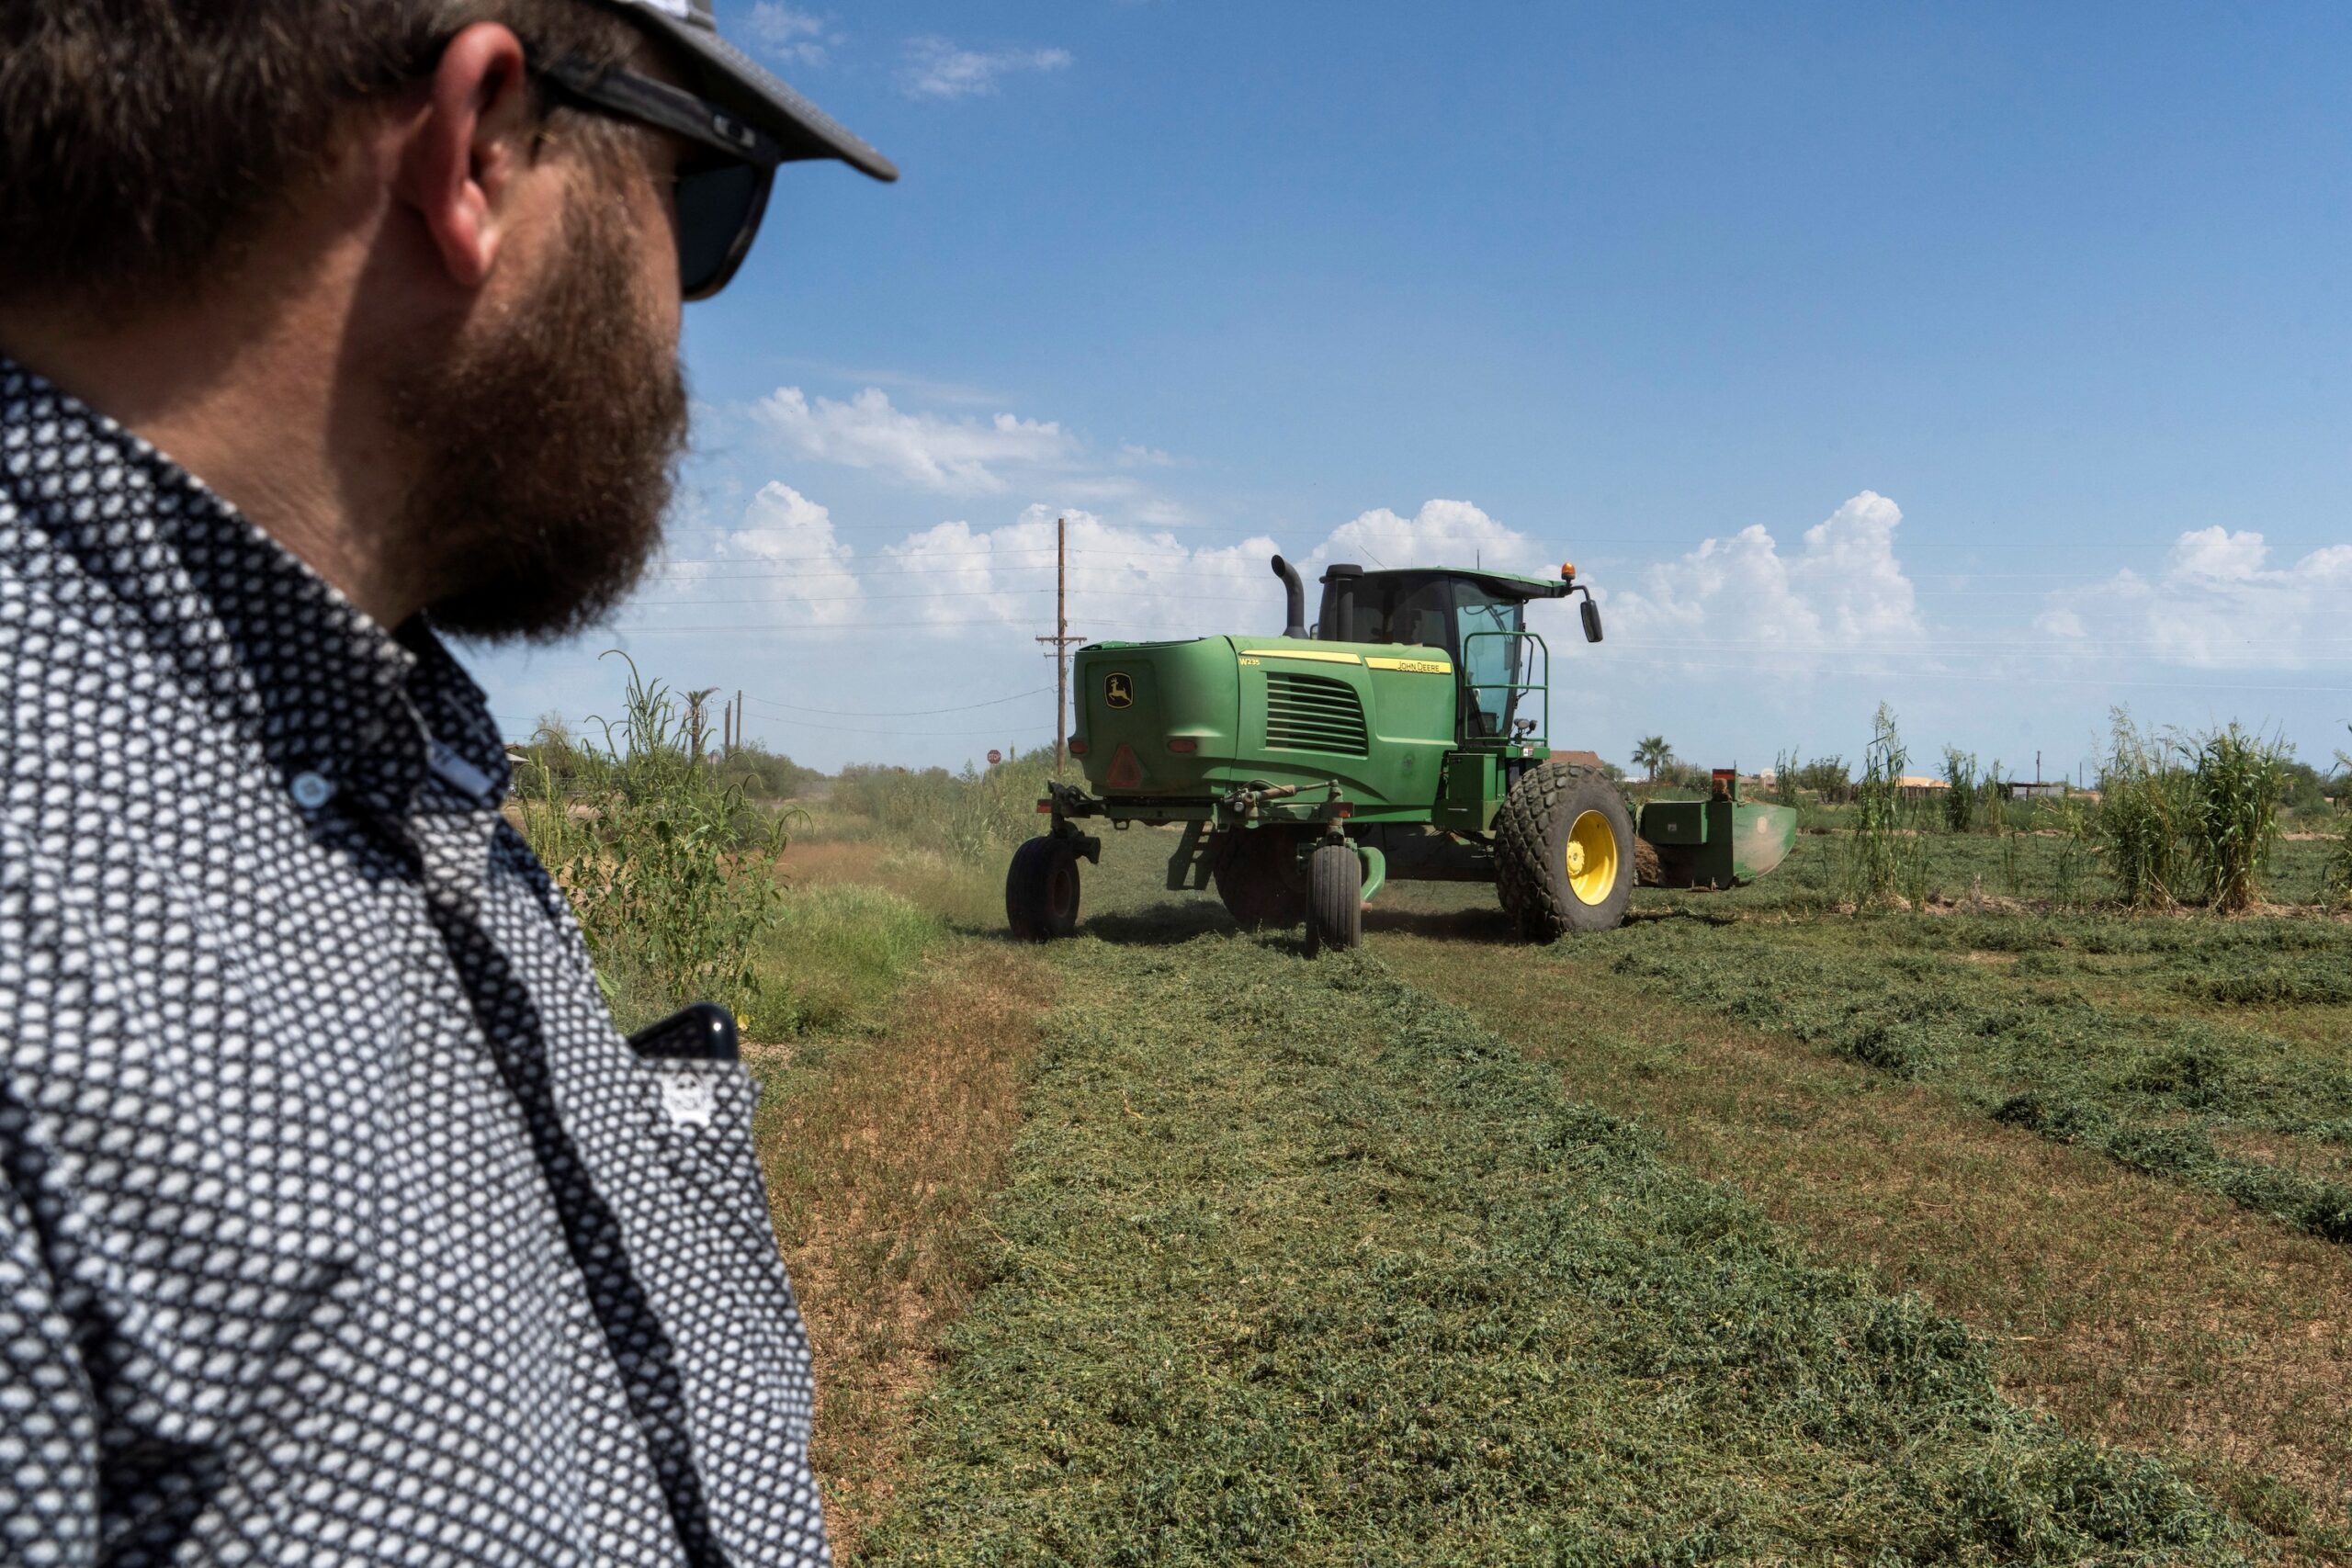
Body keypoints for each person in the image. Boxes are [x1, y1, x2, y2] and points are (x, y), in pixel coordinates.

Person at [0, 1, 894, 1561]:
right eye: (705, 199)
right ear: (479, 142)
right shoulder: (54, 923)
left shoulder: (352, 757)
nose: (686, 304)